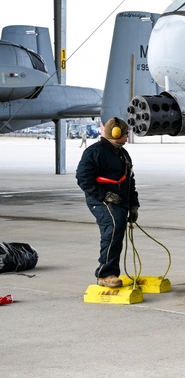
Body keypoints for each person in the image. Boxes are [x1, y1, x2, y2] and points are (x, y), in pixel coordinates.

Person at [76, 117, 139, 288]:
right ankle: (105, 274)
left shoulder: (122, 154)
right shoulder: (95, 152)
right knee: (112, 228)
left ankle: (110, 272)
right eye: (125, 133)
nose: (127, 136)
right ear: (116, 133)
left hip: (120, 200)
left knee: (117, 230)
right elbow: (83, 179)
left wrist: (134, 204)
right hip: (100, 200)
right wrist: (105, 195)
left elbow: (129, 181)